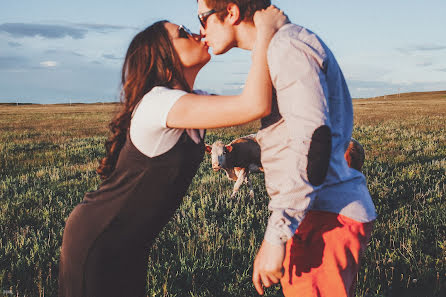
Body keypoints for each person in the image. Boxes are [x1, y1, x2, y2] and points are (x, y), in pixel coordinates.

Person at [58, 7, 287, 297]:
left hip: (132, 243)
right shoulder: (159, 103)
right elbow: (255, 104)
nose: (197, 33)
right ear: (163, 59)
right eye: (183, 33)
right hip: (99, 239)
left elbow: (260, 101)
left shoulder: (192, 102)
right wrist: (266, 30)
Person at [196, 0, 377, 296]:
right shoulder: (279, 47)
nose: (200, 31)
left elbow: (313, 143)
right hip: (317, 211)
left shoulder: (286, 48)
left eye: (202, 18)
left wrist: (276, 235)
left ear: (230, 13)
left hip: (323, 216)